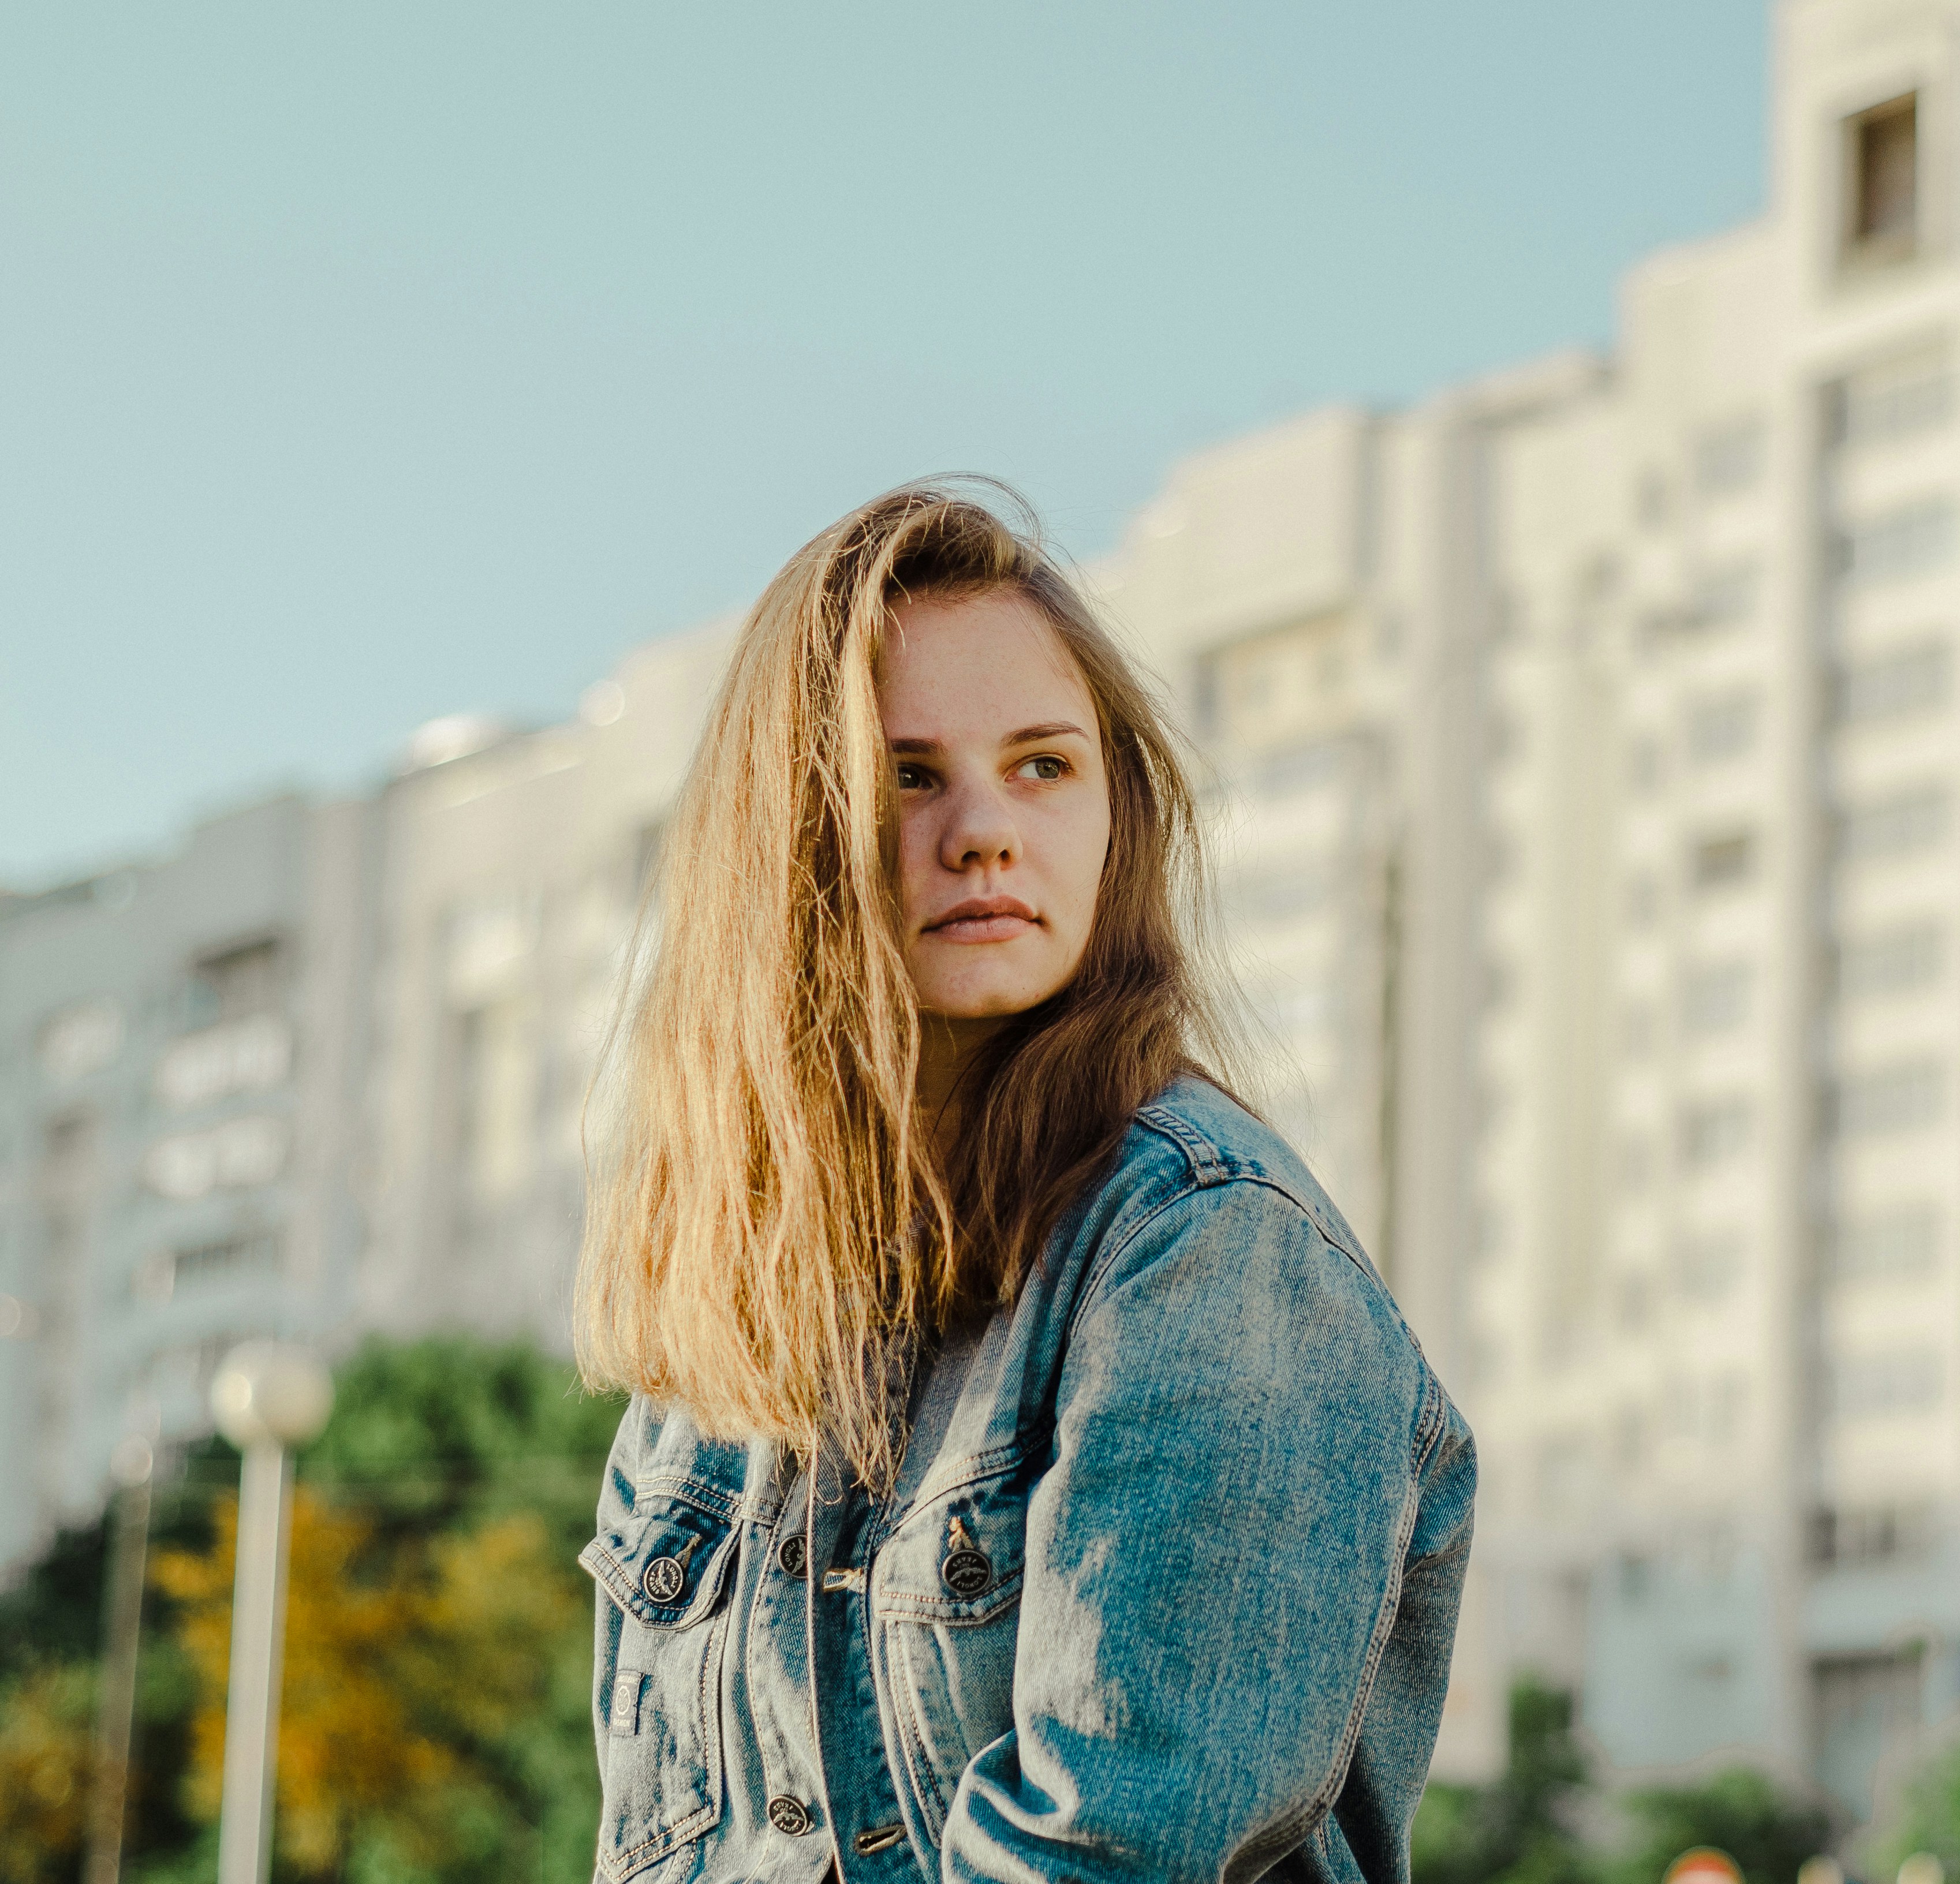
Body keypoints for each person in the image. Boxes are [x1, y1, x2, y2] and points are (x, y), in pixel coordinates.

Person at [572, 481, 1474, 1881]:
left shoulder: (1204, 1255)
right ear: (790, 837)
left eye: (1043, 764)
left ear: (1118, 810)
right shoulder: (722, 1338)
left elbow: (1106, 1853)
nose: (984, 831)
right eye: (909, 776)